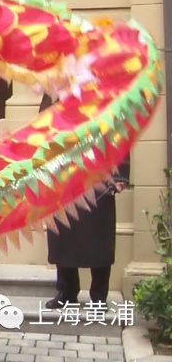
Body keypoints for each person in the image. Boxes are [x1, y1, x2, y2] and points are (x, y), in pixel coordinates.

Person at [40, 95, 130, 311]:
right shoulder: (54, 89)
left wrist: (120, 176)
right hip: (62, 177)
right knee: (63, 236)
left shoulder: (105, 88)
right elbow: (41, 130)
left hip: (97, 175)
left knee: (99, 238)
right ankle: (67, 291)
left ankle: (98, 296)